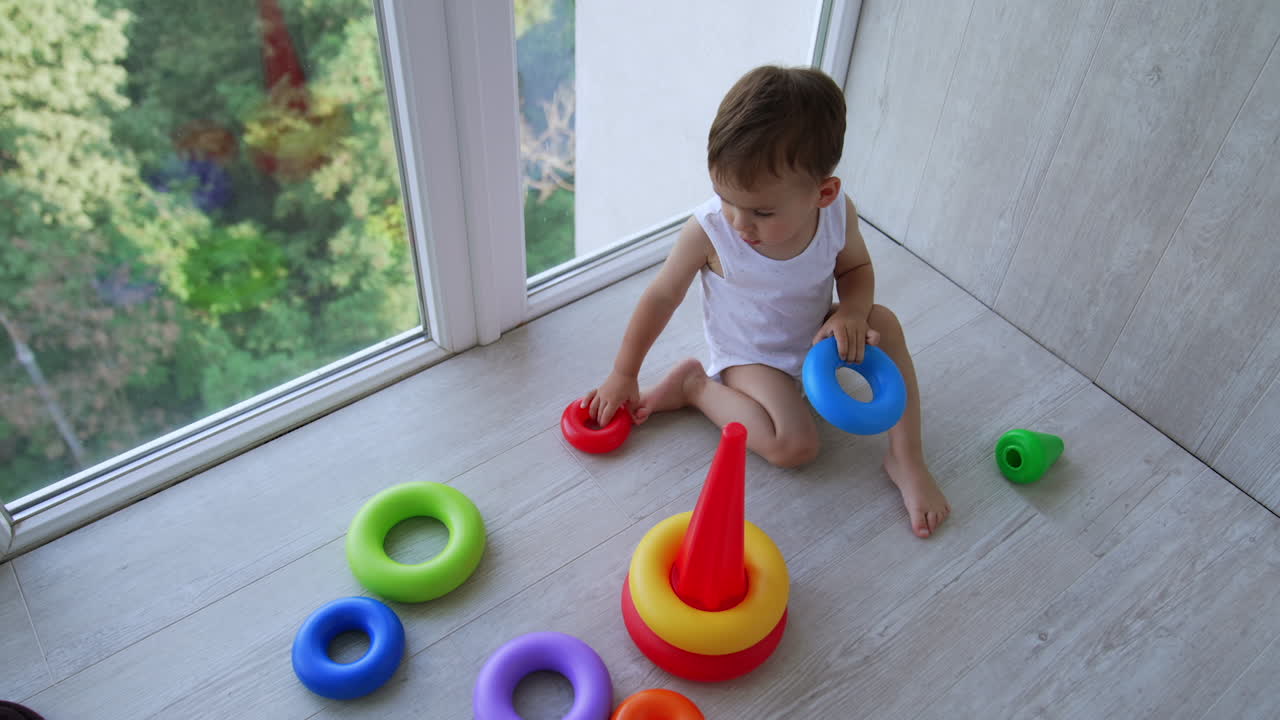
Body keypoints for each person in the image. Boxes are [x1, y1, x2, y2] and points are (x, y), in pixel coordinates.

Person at [581, 66, 950, 538]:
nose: (738, 222)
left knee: (887, 323)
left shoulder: (839, 214)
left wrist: (853, 312)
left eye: (761, 211)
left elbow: (855, 271)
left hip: (817, 331)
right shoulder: (710, 231)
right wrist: (624, 373)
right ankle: (696, 387)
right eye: (725, 198)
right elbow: (662, 295)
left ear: (823, 193)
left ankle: (906, 458)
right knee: (796, 446)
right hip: (752, 356)